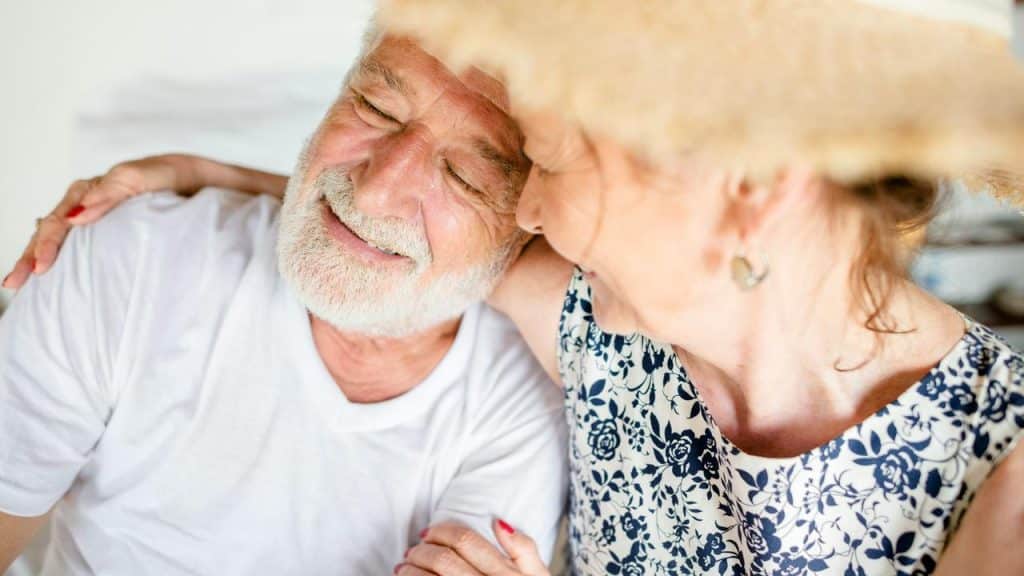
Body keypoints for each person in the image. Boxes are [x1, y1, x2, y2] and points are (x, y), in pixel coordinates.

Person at [10, 0, 1024, 574]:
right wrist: (207, 180)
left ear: (744, 193)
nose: (528, 210)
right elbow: (412, 237)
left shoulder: (1003, 477)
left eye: (535, 159)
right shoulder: (610, 341)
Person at [0, 32, 569, 576]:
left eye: (463, 178)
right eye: (376, 107)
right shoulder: (131, 252)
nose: (375, 190)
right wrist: (201, 173)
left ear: (531, 224)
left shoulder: (524, 395)